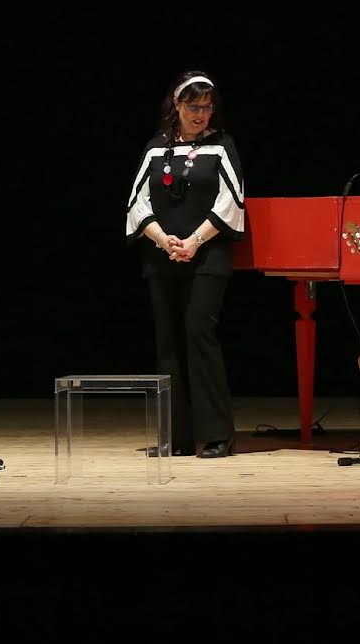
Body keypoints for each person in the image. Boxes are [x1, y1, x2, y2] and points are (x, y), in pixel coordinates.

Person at [125, 71, 246, 458]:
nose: (201, 115)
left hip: (207, 257)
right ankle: (174, 437)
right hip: (162, 259)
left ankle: (216, 435)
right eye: (193, 107)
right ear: (176, 105)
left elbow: (233, 202)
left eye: (207, 108)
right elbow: (136, 203)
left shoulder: (222, 146)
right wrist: (162, 239)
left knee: (198, 335)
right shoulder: (155, 149)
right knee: (168, 343)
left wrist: (194, 242)